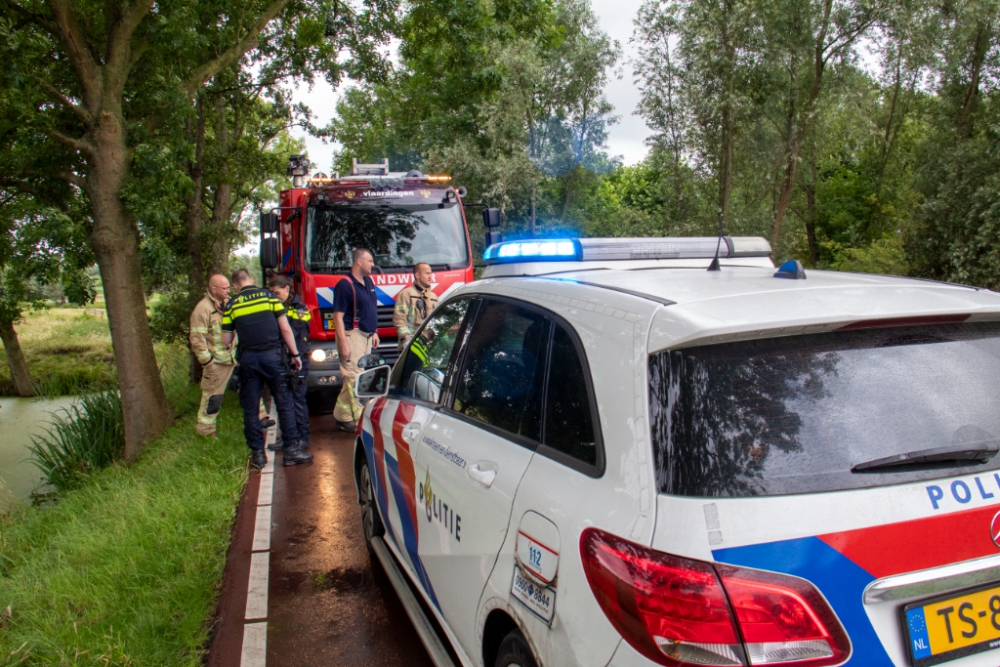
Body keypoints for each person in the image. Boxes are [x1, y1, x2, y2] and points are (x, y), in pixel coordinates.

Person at [221, 269, 313, 469]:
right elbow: (286, 329)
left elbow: (225, 340)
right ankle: (291, 451)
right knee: (285, 403)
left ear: (235, 285)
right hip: (273, 358)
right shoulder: (270, 298)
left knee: (251, 408)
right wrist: (295, 355)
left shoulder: (232, 305)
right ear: (251, 280)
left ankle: (258, 455)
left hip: (248, 361)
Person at [189, 275, 276, 437]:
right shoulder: (203, 309)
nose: (228, 291)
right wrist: (207, 361)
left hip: (237, 357)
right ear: (214, 289)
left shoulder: (231, 303)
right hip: (217, 362)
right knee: (213, 397)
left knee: (251, 387)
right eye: (225, 288)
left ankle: (261, 417)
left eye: (229, 287)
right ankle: (206, 431)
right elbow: (196, 339)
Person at [332, 248, 380, 431]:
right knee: (356, 379)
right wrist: (343, 343)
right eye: (370, 261)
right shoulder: (344, 285)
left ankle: (341, 417)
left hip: (366, 336)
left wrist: (374, 331)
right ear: (359, 262)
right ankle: (362, 422)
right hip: (352, 335)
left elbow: (370, 308)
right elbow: (338, 317)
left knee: (353, 376)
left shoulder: (368, 281)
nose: (373, 264)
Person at [267, 275, 311, 450]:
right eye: (271, 293)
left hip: (298, 358)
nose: (274, 296)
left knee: (298, 399)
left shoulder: (299, 309)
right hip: (284, 357)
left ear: (287, 289)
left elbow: (293, 332)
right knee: (286, 401)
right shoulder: (278, 306)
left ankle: (303, 438)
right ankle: (289, 438)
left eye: (277, 292)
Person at [393, 262, 439, 350]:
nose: (430, 277)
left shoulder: (434, 298)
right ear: (417, 275)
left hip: (428, 348)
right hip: (409, 346)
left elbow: (439, 323)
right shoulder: (406, 294)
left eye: (431, 273)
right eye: (427, 273)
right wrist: (406, 341)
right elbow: (399, 319)